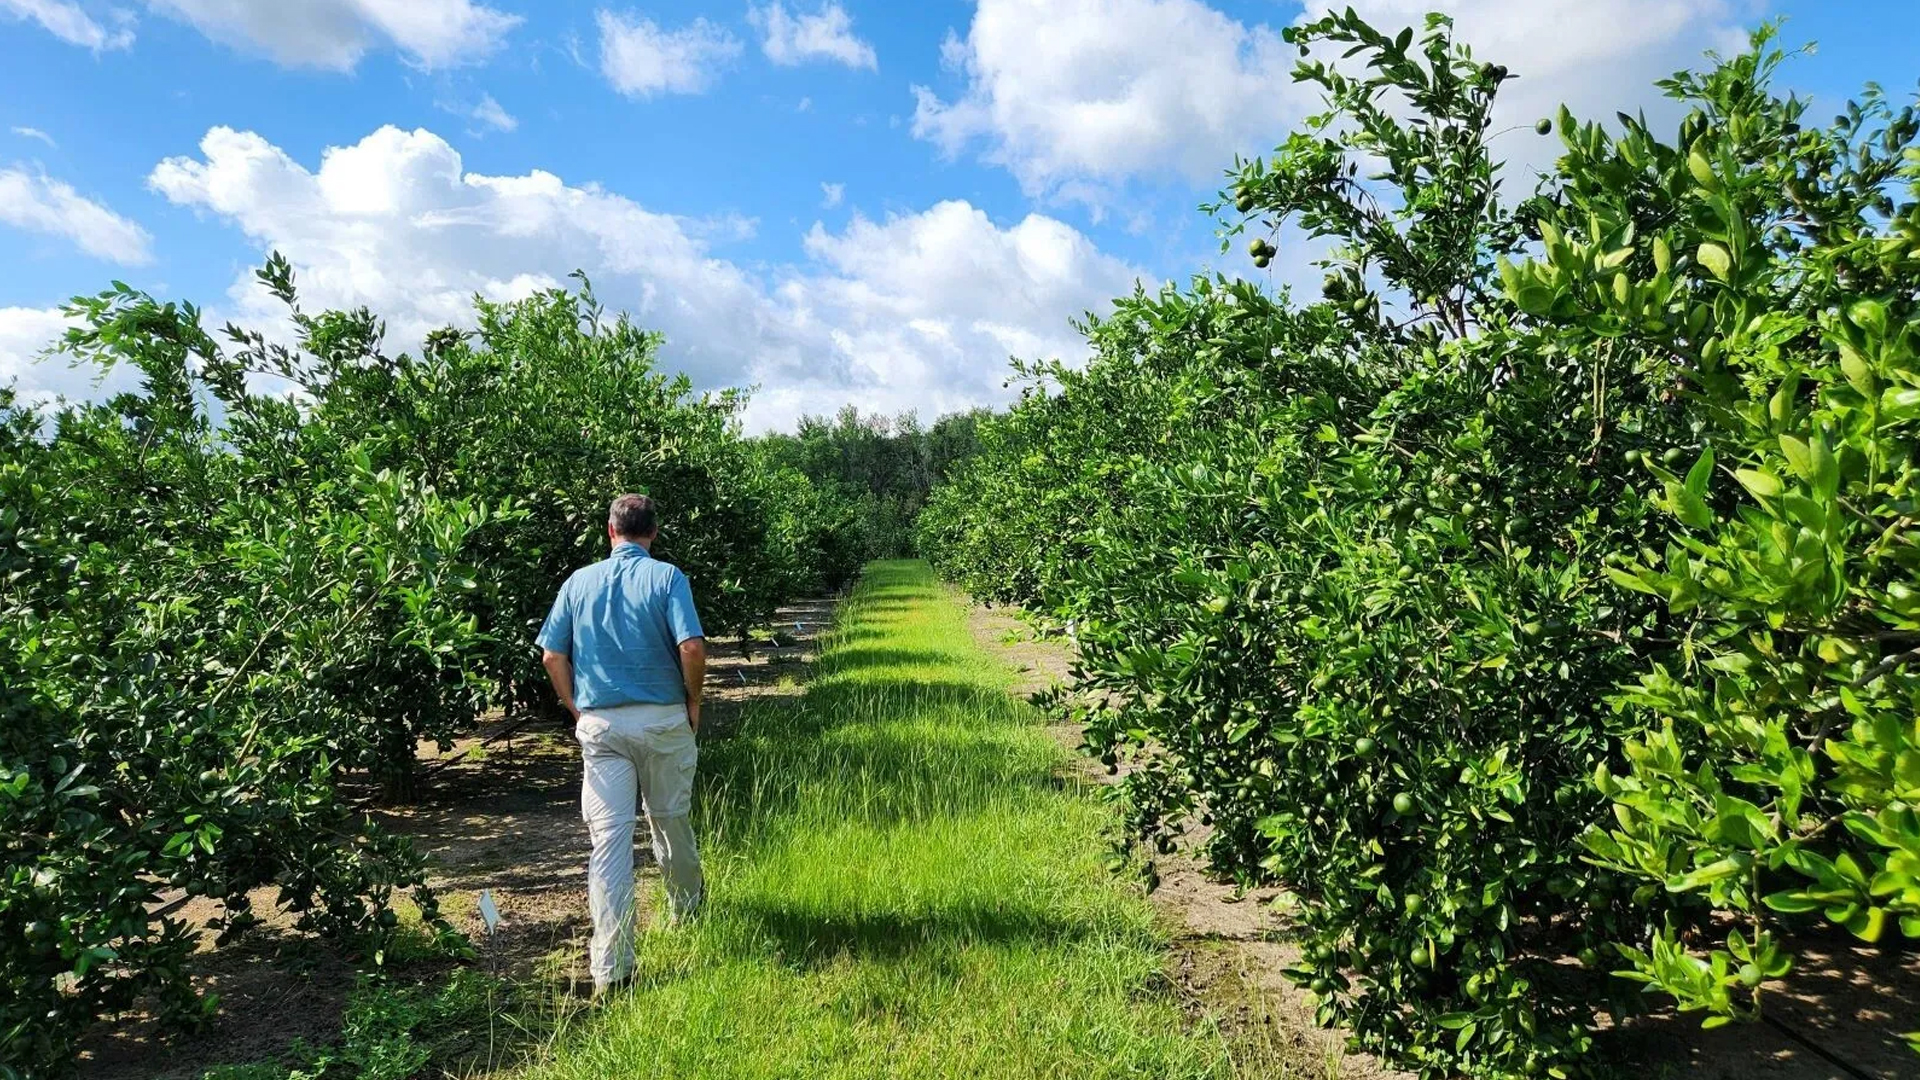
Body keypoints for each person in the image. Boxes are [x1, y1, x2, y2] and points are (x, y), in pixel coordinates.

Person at [538, 493, 707, 996]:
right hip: (661, 720)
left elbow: (552, 655)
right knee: (670, 820)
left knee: (609, 841)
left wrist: (575, 707)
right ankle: (687, 912)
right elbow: (692, 646)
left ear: (609, 532)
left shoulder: (577, 582)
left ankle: (612, 965)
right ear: (652, 534)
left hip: (602, 727)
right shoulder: (668, 578)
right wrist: (692, 701)